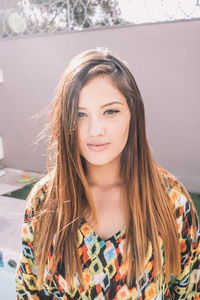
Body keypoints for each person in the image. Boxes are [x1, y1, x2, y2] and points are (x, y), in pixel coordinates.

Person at [15, 48, 200, 299]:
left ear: (132, 114)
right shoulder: (44, 200)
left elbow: (189, 292)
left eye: (110, 111)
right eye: (80, 114)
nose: (95, 130)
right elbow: (28, 291)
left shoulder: (171, 200)